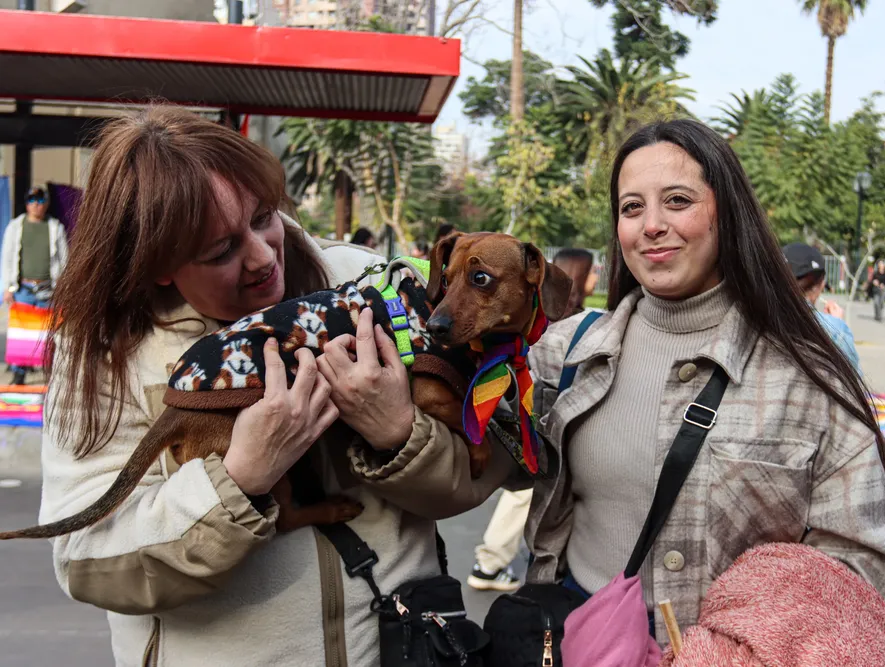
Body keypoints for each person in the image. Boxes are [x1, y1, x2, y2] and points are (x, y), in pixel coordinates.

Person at [37, 107, 509, 667]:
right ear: (157, 263)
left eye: (264, 217)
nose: (264, 256)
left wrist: (401, 433)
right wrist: (238, 480)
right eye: (220, 250)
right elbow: (86, 560)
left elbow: (487, 467)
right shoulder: (102, 355)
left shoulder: (362, 282)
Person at [524, 119, 885, 647]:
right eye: (631, 207)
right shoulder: (565, 353)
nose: (652, 225)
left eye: (678, 200)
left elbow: (871, 578)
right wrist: (397, 428)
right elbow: (468, 464)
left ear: (726, 213)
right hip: (579, 645)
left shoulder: (807, 378)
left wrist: (733, 652)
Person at [466, 247, 601, 593]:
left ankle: (493, 561)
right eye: (593, 270)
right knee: (530, 485)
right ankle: (490, 561)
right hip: (537, 416)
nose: (598, 276)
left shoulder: (577, 315)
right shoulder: (552, 321)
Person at [1, 186, 69, 384]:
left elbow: (64, 259)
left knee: (49, 333)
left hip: (48, 289)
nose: (36, 205)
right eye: (32, 200)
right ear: (27, 203)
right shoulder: (16, 226)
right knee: (20, 333)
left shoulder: (55, 227)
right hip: (23, 289)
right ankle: (19, 373)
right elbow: (7, 257)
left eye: (40, 201)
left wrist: (63, 287)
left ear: (46, 203)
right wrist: (8, 286)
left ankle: (51, 374)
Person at [782, 242, 861, 372]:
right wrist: (837, 325)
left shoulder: (755, 318)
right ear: (821, 284)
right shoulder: (834, 329)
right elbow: (853, 380)